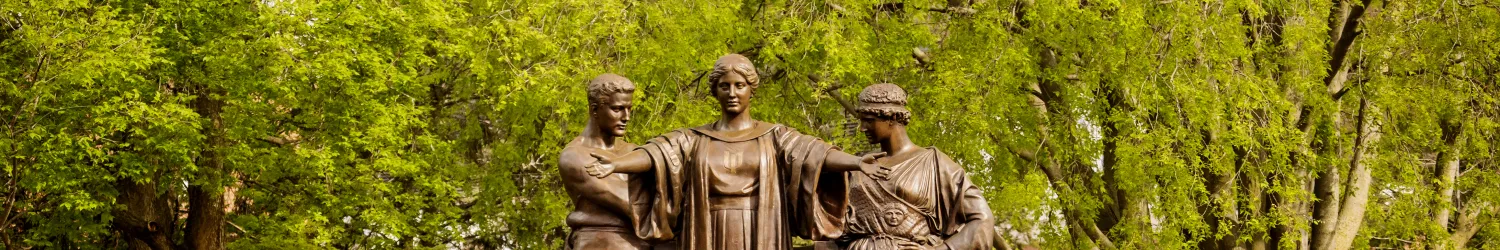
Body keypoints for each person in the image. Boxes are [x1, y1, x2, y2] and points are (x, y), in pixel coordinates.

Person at [584, 54, 888, 250]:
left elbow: (815, 153)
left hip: (761, 227)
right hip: (706, 228)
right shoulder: (694, 138)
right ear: (715, 90)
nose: (732, 93)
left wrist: (857, 161)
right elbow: (657, 155)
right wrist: (618, 164)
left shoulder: (774, 136)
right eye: (724, 86)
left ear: (751, 89)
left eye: (739, 85)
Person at [836, 83, 995, 250]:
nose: (862, 128)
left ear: (893, 118)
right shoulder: (859, 167)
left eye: (869, 121)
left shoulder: (936, 164)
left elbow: (982, 219)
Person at [557, 74, 655, 250]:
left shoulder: (633, 151)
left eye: (629, 109)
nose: (626, 117)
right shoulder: (574, 156)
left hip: (641, 244)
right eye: (617, 109)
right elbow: (631, 204)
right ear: (595, 110)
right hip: (599, 243)